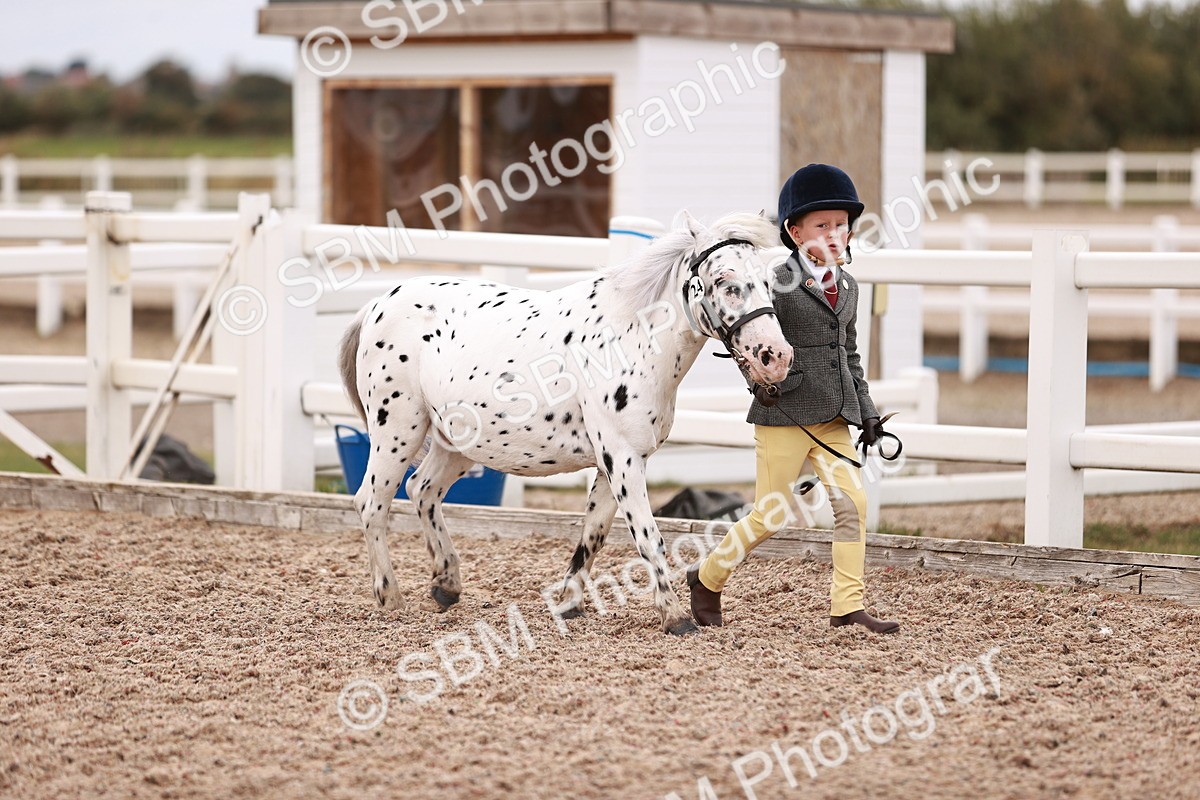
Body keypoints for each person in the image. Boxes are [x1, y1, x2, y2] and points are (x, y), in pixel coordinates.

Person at [686, 163, 900, 634]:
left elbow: (848, 352)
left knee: (852, 505)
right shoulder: (775, 283)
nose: (834, 233)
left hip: (834, 418)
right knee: (769, 514)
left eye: (840, 225)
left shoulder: (849, 287)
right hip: (784, 413)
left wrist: (867, 413)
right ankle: (706, 579)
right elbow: (751, 340)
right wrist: (763, 385)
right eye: (822, 225)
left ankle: (847, 605)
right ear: (795, 231)